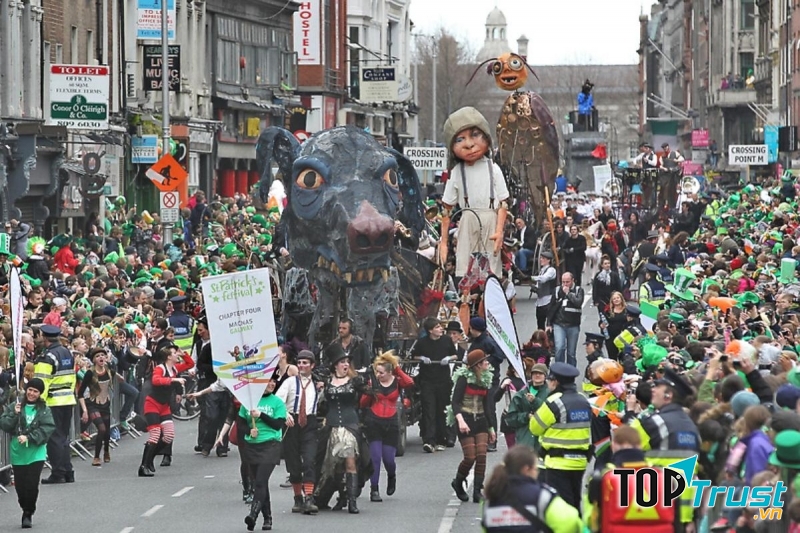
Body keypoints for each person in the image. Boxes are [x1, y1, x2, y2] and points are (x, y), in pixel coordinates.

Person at [625, 367, 700, 529]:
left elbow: (624, 453)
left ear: (668, 395)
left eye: (657, 387)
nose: (653, 390)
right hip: (685, 512)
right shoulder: (692, 427)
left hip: (654, 509)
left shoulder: (652, 423)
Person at [439, 107, 510, 276]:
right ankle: (465, 299)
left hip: (491, 218)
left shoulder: (493, 169)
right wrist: (444, 242)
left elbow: (503, 203)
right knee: (465, 268)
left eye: (475, 135)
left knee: (491, 269)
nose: (469, 144)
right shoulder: (457, 172)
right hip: (468, 217)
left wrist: (499, 231)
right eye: (460, 139)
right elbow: (446, 209)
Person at [584, 425, 677, 533]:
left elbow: (591, 519)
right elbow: (675, 520)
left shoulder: (601, 476)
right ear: (640, 446)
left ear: (613, 446)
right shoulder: (665, 476)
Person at [529, 362, 591, 511]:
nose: (549, 384)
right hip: (580, 462)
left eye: (550, 380)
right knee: (575, 503)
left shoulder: (554, 402)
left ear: (555, 382)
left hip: (558, 463)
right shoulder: (583, 400)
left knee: (561, 508)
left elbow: (535, 428)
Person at [482, 446, 582, 533]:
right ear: (526, 470)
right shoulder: (542, 496)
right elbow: (571, 521)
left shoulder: (491, 498)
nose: (537, 473)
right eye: (536, 469)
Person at [317, 347, 369, 514]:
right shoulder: (326, 382)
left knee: (350, 462)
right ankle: (342, 497)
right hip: (332, 426)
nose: (346, 364)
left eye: (347, 362)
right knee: (336, 466)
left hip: (350, 426)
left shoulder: (355, 381)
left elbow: (371, 394)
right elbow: (321, 406)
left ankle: (352, 501)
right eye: (342, 362)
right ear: (335, 365)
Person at [0, 378, 56, 529]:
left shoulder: (44, 409)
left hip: (36, 453)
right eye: (30, 390)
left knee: (31, 485)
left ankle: (28, 513)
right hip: (18, 453)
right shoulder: (15, 406)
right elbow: (4, 424)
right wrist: (14, 414)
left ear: (40, 394)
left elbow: (48, 428)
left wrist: (30, 437)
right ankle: (24, 505)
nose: (32, 393)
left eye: (36, 391)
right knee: (21, 488)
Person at [360, 351, 414, 502]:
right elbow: (363, 403)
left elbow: (409, 383)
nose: (378, 375)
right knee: (375, 457)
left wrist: (397, 369)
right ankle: (374, 489)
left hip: (391, 422)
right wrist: (369, 392)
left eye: (382, 372)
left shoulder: (397, 381)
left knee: (389, 459)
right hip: (374, 421)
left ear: (389, 372)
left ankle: (392, 475)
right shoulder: (373, 382)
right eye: (377, 371)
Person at [275, 350, 321, 515]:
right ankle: (297, 498)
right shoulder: (289, 383)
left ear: (312, 365)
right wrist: (285, 415)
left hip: (310, 423)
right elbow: (277, 402)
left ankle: (309, 497)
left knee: (309, 460)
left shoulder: (317, 383)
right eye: (300, 363)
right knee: (293, 463)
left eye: (305, 363)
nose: (302, 366)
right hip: (292, 424)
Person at [138, 344, 194, 477]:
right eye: (175, 353)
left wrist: (183, 354)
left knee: (168, 436)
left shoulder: (174, 368)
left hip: (164, 405)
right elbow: (156, 380)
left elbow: (190, 364)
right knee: (155, 434)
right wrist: (174, 380)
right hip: (152, 404)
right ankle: (143, 465)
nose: (177, 355)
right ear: (169, 357)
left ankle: (150, 459)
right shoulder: (160, 368)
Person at [449, 349, 496, 503]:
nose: (487, 363)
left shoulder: (486, 379)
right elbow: (455, 402)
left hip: (481, 419)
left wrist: (491, 428)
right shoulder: (463, 378)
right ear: (477, 365)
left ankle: (477, 491)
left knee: (482, 454)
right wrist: (460, 420)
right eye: (484, 362)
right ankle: (458, 482)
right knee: (470, 457)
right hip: (465, 419)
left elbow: (488, 406)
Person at [241, 377, 286, 531]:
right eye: (268, 381)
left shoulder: (277, 402)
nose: (272, 384)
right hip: (252, 446)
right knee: (260, 483)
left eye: (274, 381)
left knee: (260, 481)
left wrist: (261, 415)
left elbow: (278, 424)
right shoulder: (248, 402)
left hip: (270, 446)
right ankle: (267, 518)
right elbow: (240, 423)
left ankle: (253, 514)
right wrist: (249, 430)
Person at [33, 324, 76, 484]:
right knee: (63, 437)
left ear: (44, 338)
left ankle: (58, 472)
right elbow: (72, 377)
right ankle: (68, 471)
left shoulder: (48, 357)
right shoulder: (67, 352)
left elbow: (41, 383)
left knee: (54, 438)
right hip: (67, 400)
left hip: (52, 401)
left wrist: (38, 403)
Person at [412, 317, 459, 452]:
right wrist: (422, 358)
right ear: (430, 330)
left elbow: (455, 355)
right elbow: (414, 356)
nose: (441, 329)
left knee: (441, 410)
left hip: (443, 380)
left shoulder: (446, 340)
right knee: (429, 409)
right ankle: (429, 440)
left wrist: (448, 358)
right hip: (427, 380)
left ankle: (441, 439)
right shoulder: (422, 343)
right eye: (437, 327)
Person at [468, 317, 506, 452]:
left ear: (474, 328)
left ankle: (492, 440)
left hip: (490, 380)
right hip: (477, 380)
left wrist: (485, 362)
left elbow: (500, 357)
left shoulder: (487, 341)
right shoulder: (477, 341)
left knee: (489, 409)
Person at [77, 347, 115, 466]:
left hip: (105, 403)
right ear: (93, 360)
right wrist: (84, 410)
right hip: (92, 403)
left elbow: (115, 376)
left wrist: (120, 378)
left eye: (102, 355)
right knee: (101, 429)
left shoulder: (109, 370)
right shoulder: (90, 373)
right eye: (98, 356)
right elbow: (80, 393)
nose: (101, 358)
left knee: (107, 431)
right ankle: (97, 456)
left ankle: (107, 451)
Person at [504, 363, 549, 452]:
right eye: (535, 373)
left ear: (545, 376)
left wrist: (535, 401)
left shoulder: (550, 393)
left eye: (540, 373)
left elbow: (551, 412)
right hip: (525, 439)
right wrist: (526, 416)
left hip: (543, 441)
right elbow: (510, 419)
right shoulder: (521, 394)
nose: (537, 375)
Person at [547, 272, 584, 367]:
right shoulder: (556, 290)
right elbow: (551, 308)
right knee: (559, 348)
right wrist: (548, 324)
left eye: (567, 282)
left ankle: (570, 374)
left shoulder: (578, 290)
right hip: (559, 324)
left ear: (573, 281)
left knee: (571, 353)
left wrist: (568, 293)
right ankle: (559, 371)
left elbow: (578, 303)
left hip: (573, 325)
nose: (565, 284)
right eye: (563, 282)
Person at [531, 251, 557, 330]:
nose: (541, 260)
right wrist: (535, 288)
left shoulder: (551, 270)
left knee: (549, 325)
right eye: (541, 258)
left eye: (543, 258)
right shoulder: (542, 270)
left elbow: (544, 279)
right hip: (540, 301)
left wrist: (532, 278)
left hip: (548, 301)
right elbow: (539, 284)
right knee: (540, 325)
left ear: (548, 260)